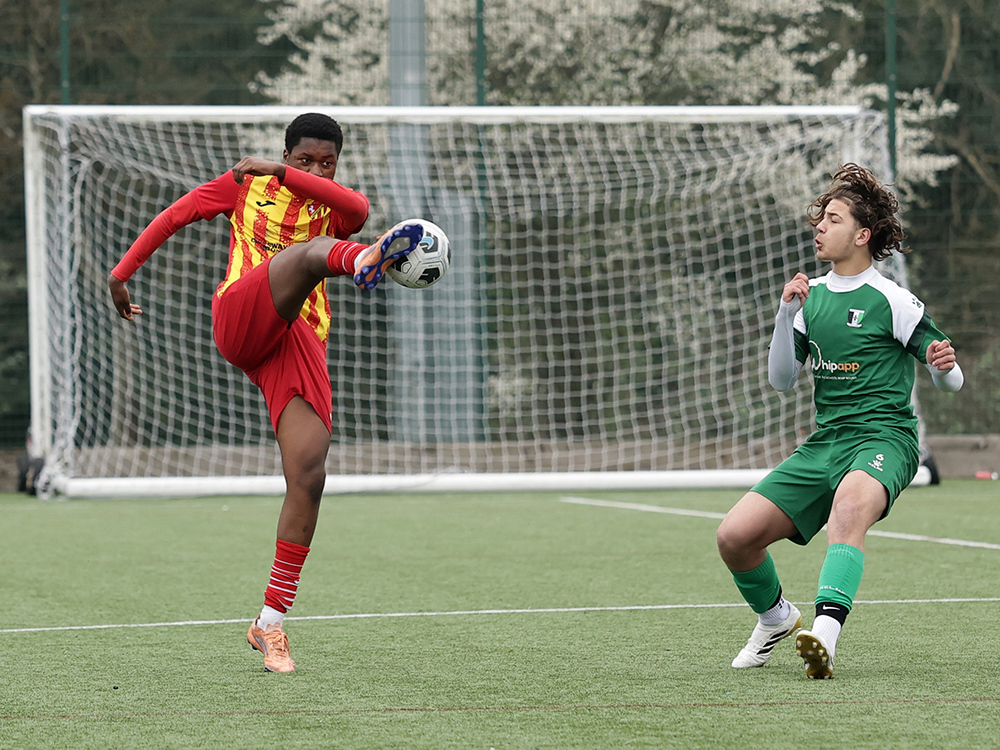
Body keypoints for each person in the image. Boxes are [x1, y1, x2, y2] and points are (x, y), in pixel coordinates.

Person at [109, 112, 425, 673]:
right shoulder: (245, 185)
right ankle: (367, 260)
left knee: (309, 475)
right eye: (304, 159)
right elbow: (176, 215)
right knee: (308, 255)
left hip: (295, 342)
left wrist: (288, 174)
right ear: (287, 153)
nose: (315, 169)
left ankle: (270, 623)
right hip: (241, 315)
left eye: (326, 163)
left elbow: (356, 209)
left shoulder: (332, 204)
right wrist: (120, 273)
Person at [716, 163, 964, 679]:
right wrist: (785, 316)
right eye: (819, 219)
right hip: (824, 444)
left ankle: (824, 636)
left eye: (832, 219)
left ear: (862, 234)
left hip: (885, 441)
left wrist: (945, 368)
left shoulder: (893, 300)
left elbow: (950, 379)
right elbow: (782, 380)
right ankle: (776, 617)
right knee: (734, 537)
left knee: (848, 509)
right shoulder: (811, 300)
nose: (819, 228)